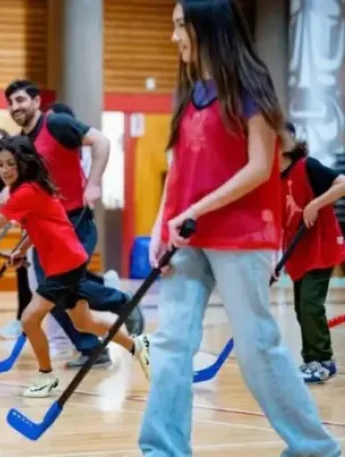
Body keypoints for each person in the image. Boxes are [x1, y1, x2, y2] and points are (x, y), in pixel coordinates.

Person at [139, 1, 341, 456]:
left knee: (257, 347)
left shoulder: (250, 86)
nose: (174, 37)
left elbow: (258, 166)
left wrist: (195, 210)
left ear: (206, 27)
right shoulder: (191, 90)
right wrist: (159, 225)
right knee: (170, 343)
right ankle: (162, 448)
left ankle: (315, 448)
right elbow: (178, 166)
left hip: (240, 236)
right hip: (186, 235)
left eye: (180, 26)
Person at [0, 135, 151, 397]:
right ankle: (136, 346)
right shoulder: (28, 189)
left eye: (11, 163)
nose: (5, 170)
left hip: (64, 263)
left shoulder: (26, 192)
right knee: (84, 322)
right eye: (0, 164)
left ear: (24, 163)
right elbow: (39, 225)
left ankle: (46, 376)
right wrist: (21, 250)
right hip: (67, 260)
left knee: (29, 319)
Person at [0, 80, 145, 369]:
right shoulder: (22, 144)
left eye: (20, 100)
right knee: (49, 291)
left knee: (60, 286)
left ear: (36, 101)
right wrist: (23, 246)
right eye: (10, 102)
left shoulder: (57, 124)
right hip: (47, 229)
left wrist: (93, 184)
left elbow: (101, 141)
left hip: (76, 220)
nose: (15, 107)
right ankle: (92, 349)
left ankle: (120, 301)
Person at [279, 121, 342, 383]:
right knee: (300, 308)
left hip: (320, 247)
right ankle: (311, 361)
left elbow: (342, 183)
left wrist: (315, 204)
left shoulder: (308, 166)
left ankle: (323, 360)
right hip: (297, 252)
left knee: (310, 304)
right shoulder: (270, 178)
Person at [0, 127, 34, 340]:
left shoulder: (22, 169)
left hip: (39, 225)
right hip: (26, 225)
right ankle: (23, 320)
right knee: (24, 270)